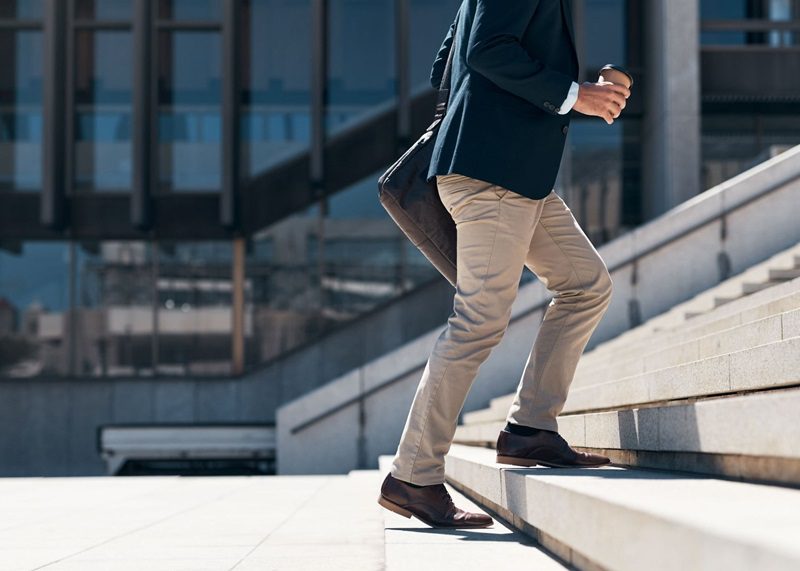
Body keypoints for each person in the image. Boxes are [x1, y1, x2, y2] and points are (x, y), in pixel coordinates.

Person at [378, 0, 630, 529]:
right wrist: (574, 95)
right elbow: (485, 49)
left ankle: (530, 428)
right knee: (478, 321)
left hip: (518, 174)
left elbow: (446, 62)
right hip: (492, 175)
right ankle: (413, 476)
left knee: (585, 284)